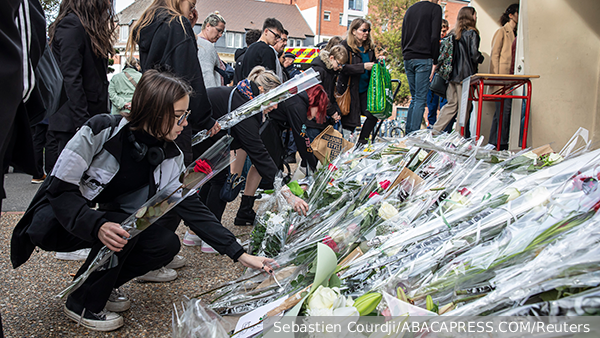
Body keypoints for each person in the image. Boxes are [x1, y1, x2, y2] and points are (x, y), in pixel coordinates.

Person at [10, 70, 277, 332]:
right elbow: (59, 189)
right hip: (56, 221)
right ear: (154, 111)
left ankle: (99, 284)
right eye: (178, 117)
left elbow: (189, 205)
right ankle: (81, 303)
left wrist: (240, 254)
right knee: (121, 226)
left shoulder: (170, 154)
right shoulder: (101, 129)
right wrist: (96, 224)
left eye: (187, 115)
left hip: (106, 224)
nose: (185, 123)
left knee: (165, 243)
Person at [197, 66, 309, 226]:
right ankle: (208, 233)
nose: (276, 106)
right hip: (196, 135)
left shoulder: (243, 96)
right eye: (274, 100)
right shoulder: (246, 109)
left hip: (207, 138)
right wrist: (288, 195)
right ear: (262, 91)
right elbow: (259, 154)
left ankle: (198, 231)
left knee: (214, 178)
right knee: (218, 180)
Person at [128, 0, 220, 167]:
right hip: (174, 118)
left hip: (152, 114)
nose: (193, 11)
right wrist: (205, 119)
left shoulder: (149, 22)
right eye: (191, 5)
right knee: (176, 179)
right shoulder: (177, 24)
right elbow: (189, 76)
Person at [46, 0, 115, 172]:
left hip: (85, 117)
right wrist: (83, 124)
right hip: (74, 121)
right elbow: (71, 77)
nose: (108, 3)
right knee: (71, 185)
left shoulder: (82, 26)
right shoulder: (72, 25)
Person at [432, 7, 484, 133]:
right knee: (464, 107)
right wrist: (481, 57)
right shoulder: (472, 33)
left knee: (451, 104)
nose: (476, 17)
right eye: (474, 15)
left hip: (451, 75)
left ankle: (435, 130)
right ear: (470, 17)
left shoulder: (452, 34)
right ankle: (458, 136)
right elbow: (474, 55)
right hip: (465, 76)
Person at [401, 0, 442, 135]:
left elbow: (403, 35)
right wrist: (435, 60)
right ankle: (413, 135)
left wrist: (405, 54)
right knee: (419, 99)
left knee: (415, 98)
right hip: (423, 57)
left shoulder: (411, 9)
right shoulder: (435, 9)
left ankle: (408, 134)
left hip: (408, 57)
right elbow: (435, 36)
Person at [337, 18, 378, 144]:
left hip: (365, 90)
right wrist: (362, 67)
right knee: (349, 124)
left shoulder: (369, 48)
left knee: (373, 115)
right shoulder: (345, 46)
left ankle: (362, 143)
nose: (366, 33)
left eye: (368, 30)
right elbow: (341, 67)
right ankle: (346, 151)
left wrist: (378, 63)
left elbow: (373, 65)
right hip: (350, 91)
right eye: (363, 30)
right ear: (354, 31)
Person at [489, 3, 519, 150]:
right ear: (511, 15)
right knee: (502, 112)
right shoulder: (502, 32)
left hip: (513, 79)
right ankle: (496, 143)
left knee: (506, 113)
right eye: (517, 13)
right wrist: (496, 79)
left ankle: (500, 143)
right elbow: (494, 55)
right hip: (502, 80)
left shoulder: (517, 33)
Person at [306, 45, 348, 141]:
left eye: (342, 65)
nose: (340, 67)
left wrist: (336, 111)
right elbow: (319, 95)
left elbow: (330, 96)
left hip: (321, 118)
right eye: (339, 64)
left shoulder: (330, 72)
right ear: (331, 58)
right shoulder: (319, 70)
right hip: (314, 118)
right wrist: (333, 112)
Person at [426, 19, 449, 129]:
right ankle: (431, 125)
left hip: (443, 75)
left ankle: (442, 126)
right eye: (440, 30)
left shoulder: (448, 43)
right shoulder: (431, 42)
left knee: (444, 103)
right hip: (433, 74)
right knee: (432, 104)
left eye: (444, 31)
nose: (441, 33)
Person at [197, 12, 226, 88]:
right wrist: (213, 96)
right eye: (218, 30)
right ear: (208, 26)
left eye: (222, 32)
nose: (220, 35)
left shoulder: (197, 42)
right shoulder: (205, 45)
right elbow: (207, 74)